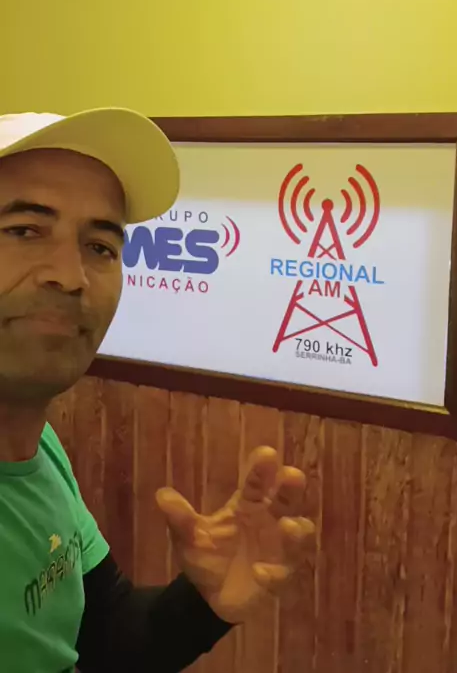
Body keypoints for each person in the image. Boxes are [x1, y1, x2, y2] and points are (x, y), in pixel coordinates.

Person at [0, 108, 315, 673]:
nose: (70, 277)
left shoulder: (37, 446)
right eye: (24, 231)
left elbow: (103, 633)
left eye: (100, 246)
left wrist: (200, 605)